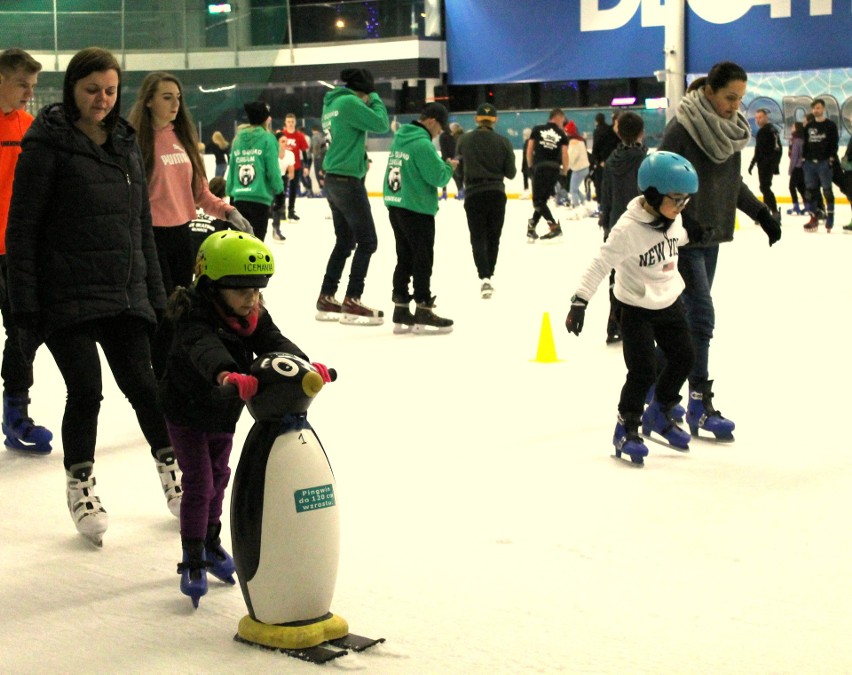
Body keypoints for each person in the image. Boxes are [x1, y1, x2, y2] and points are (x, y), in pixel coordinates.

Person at [6, 47, 182, 543]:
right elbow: (22, 229)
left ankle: (174, 473)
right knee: (86, 389)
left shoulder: (125, 143)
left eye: (110, 90)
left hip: (123, 292)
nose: (102, 100)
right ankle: (81, 483)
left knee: (145, 387)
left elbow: (139, 226)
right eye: (92, 90)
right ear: (71, 89)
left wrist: (154, 294)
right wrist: (25, 307)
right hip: (66, 295)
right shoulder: (46, 145)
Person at [160, 230, 328, 604]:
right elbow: (204, 349)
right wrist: (225, 373)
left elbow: (274, 341)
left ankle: (211, 541)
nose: (252, 299)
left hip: (222, 411)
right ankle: (192, 555)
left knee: (220, 475)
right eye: (242, 290)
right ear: (212, 286)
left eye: (257, 290)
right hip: (186, 410)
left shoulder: (251, 314)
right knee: (200, 481)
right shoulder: (193, 315)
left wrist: (304, 364)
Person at [657, 60, 781, 439]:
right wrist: (682, 216)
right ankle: (698, 403)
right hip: (684, 239)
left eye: (740, 99)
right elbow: (658, 177)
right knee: (702, 316)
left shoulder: (730, 132)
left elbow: (732, 185)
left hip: (713, 236)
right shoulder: (682, 130)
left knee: (684, 318)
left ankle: (657, 389)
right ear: (709, 90)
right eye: (730, 97)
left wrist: (761, 212)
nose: (735, 106)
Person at [565, 152, 699, 464]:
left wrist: (696, 231)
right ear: (652, 195)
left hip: (669, 300)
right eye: (677, 200)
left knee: (684, 357)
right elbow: (600, 264)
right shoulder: (626, 230)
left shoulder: (674, 218)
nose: (681, 208)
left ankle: (660, 412)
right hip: (635, 306)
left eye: (686, 201)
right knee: (642, 371)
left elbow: (679, 238)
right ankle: (626, 428)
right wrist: (579, 301)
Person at [127, 72, 252, 377]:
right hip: (150, 239)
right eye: (166, 97)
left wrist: (228, 212)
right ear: (148, 101)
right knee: (163, 311)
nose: (175, 103)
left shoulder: (181, 138)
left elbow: (200, 192)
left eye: (178, 97)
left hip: (182, 236)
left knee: (182, 309)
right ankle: (161, 378)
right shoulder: (132, 142)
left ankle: (175, 374)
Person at [0, 48, 53, 454]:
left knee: (22, 331)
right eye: (22, 84)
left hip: (16, 252)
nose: (28, 93)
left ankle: (16, 413)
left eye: (32, 86)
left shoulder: (30, 126)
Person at [316, 68, 389, 325]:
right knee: (367, 242)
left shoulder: (332, 104)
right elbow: (381, 123)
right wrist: (375, 96)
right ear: (363, 92)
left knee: (345, 241)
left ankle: (327, 295)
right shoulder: (349, 102)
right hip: (347, 181)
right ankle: (352, 298)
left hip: (334, 180)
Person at [383, 103, 457, 334]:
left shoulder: (400, 138)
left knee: (404, 256)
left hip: (396, 204)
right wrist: (449, 166)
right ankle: (423, 307)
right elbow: (438, 177)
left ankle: (401, 307)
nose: (438, 134)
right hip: (416, 208)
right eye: (440, 128)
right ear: (432, 121)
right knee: (422, 259)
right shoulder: (422, 144)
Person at [455, 103, 517, 299]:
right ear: (495, 120)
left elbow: (457, 169)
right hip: (496, 193)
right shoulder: (504, 142)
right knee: (493, 236)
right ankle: (490, 272)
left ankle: (484, 277)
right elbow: (511, 173)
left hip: (473, 193)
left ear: (476, 119)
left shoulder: (464, 140)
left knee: (477, 236)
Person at [597, 110, 647, 345]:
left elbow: (605, 196)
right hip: (640, 225)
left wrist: (606, 223)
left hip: (615, 225)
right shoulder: (645, 161)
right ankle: (637, 326)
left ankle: (614, 324)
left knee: (617, 276)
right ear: (641, 133)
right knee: (642, 275)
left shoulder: (611, 160)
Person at [226, 101, 284, 244]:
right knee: (256, 245)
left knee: (239, 246)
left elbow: (232, 167)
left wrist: (231, 192)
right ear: (265, 119)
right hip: (259, 200)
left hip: (239, 198)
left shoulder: (238, 139)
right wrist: (279, 192)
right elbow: (273, 170)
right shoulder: (268, 139)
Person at [526, 108, 568, 241]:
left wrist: (530, 165)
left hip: (540, 167)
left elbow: (530, 148)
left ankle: (554, 227)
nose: (564, 122)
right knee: (542, 201)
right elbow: (565, 154)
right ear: (558, 117)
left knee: (538, 202)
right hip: (554, 169)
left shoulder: (537, 129)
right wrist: (565, 171)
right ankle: (531, 227)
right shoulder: (562, 134)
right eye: (563, 119)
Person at [802, 98, 839, 232]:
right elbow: (805, 144)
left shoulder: (830, 125)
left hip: (824, 163)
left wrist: (830, 159)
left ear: (823, 109)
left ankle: (830, 218)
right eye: (814, 108)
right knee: (810, 192)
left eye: (818, 108)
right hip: (810, 163)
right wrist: (804, 159)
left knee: (827, 191)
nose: (816, 110)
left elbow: (834, 144)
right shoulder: (809, 126)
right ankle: (813, 218)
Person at [748, 108, 782, 219]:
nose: (758, 120)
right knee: (764, 187)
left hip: (766, 164)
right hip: (765, 164)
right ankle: (767, 212)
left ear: (766, 117)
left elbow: (772, 149)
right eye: (756, 118)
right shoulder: (770, 130)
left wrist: (771, 164)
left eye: (760, 117)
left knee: (765, 187)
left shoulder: (767, 131)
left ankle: (774, 211)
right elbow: (761, 150)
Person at [279, 113, 309, 221]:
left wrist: (306, 166)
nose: (290, 124)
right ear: (285, 123)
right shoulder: (281, 135)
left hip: (296, 167)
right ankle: (281, 211)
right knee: (281, 190)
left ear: (295, 122)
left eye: (292, 122)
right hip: (283, 168)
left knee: (293, 190)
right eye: (288, 122)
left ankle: (291, 211)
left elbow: (304, 152)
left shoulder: (300, 136)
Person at [591, 111, 619, 212]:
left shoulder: (599, 131)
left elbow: (596, 148)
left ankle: (603, 208)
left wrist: (598, 160)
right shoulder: (608, 131)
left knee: (602, 186)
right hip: (610, 163)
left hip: (606, 163)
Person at [271, 131, 296, 241]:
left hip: (281, 181)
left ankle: (276, 229)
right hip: (269, 181)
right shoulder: (270, 153)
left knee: (278, 206)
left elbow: (291, 172)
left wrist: (287, 177)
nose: (285, 143)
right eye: (282, 141)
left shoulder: (290, 154)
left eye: (286, 141)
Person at [565, 119, 591, 217]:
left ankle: (576, 206)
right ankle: (584, 202)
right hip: (584, 168)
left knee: (573, 190)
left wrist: (566, 167)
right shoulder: (580, 140)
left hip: (579, 169)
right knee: (575, 188)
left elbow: (572, 156)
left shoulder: (573, 142)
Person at [786, 121, 806, 215]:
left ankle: (796, 206)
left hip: (797, 167)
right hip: (802, 167)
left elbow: (794, 156)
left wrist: (790, 169)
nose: (791, 129)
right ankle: (807, 206)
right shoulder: (802, 139)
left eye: (793, 127)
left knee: (792, 186)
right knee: (801, 187)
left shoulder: (796, 140)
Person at [309, 124, 326, 196]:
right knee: (322, 172)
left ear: (313, 130)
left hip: (318, 157)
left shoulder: (315, 137)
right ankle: (325, 189)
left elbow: (315, 147)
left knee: (318, 174)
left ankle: (323, 189)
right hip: (324, 157)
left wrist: (315, 155)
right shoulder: (323, 136)